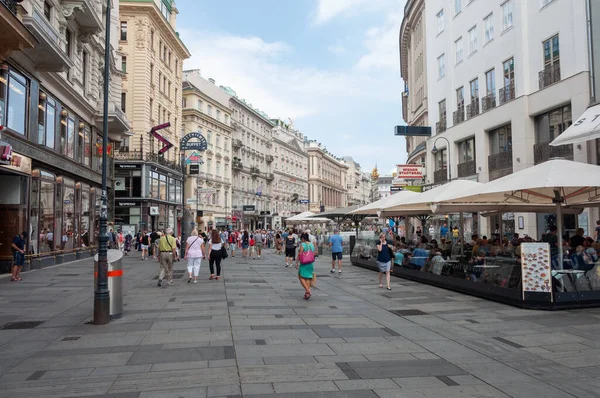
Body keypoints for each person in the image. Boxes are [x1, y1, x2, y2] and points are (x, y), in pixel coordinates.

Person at [296, 233, 316, 300]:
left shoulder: (303, 245)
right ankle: (307, 294)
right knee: (308, 277)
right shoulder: (312, 244)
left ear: (303, 238)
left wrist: (296, 262)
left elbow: (300, 254)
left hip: (304, 263)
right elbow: (314, 253)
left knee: (301, 276)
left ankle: (308, 290)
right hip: (310, 263)